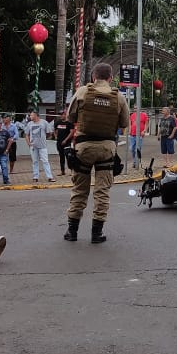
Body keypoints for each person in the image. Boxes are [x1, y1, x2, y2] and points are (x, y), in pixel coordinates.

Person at [65, 62, 129, 243]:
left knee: (79, 190)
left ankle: (72, 232)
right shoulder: (119, 97)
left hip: (83, 148)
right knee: (102, 192)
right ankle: (96, 233)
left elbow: (70, 117)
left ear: (94, 77)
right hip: (106, 149)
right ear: (111, 78)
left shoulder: (83, 92)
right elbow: (124, 123)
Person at [25, 109, 55, 182]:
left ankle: (49, 177)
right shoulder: (29, 124)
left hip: (42, 146)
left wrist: (44, 138)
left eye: (31, 115)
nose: (30, 116)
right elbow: (26, 134)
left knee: (45, 161)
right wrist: (29, 143)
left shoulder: (44, 122)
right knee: (35, 161)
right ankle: (35, 177)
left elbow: (49, 133)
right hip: (33, 146)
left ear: (36, 115)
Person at [53, 110, 74, 175]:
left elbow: (72, 132)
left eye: (63, 114)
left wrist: (65, 140)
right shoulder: (57, 122)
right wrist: (56, 136)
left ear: (66, 115)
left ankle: (72, 171)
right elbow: (54, 130)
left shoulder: (69, 123)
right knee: (61, 157)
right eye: (60, 114)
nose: (61, 116)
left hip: (67, 143)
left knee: (68, 156)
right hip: (59, 142)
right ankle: (62, 171)